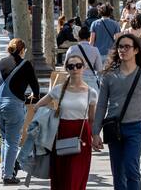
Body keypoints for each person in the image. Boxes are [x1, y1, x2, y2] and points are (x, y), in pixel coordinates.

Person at [92, 34, 141, 190]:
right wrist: (95, 132)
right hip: (113, 128)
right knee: (118, 173)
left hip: (134, 129)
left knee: (131, 169)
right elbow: (101, 105)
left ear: (135, 50)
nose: (122, 50)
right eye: (120, 47)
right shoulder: (109, 76)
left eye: (127, 47)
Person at [34, 55, 98, 190]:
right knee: (62, 176)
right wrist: (48, 120)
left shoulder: (91, 93)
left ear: (84, 68)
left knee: (76, 176)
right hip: (61, 133)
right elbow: (37, 106)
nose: (75, 69)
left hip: (82, 136)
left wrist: (95, 137)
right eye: (71, 66)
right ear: (67, 69)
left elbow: (92, 119)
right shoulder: (58, 89)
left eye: (78, 66)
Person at [0, 39, 40, 185]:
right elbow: (35, 87)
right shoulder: (26, 64)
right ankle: (7, 176)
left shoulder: (0, 62)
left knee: (6, 140)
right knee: (12, 142)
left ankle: (5, 172)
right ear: (22, 50)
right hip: (13, 107)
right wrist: (34, 97)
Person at [65, 27, 102, 91]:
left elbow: (66, 67)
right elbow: (99, 68)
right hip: (91, 82)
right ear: (89, 38)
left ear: (79, 38)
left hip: (74, 80)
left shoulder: (71, 49)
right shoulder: (95, 50)